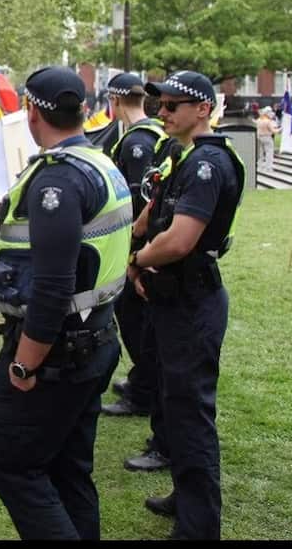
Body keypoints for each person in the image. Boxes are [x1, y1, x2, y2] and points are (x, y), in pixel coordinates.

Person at [0, 66, 131, 540]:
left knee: (14, 464)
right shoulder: (101, 161)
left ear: (31, 112)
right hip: (96, 337)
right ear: (82, 112)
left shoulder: (57, 182)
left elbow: (52, 287)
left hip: (58, 354)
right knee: (68, 469)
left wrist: (24, 366)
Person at [128, 71, 245, 540]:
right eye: (161, 103)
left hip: (192, 301)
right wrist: (136, 246)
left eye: (174, 104)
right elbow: (155, 210)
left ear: (203, 109)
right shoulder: (182, 155)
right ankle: (184, 494)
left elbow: (178, 241)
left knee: (191, 414)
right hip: (170, 299)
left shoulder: (208, 164)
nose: (164, 111)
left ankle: (199, 525)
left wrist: (137, 258)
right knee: (175, 408)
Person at [101, 72, 167, 420]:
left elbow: (137, 202)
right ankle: (142, 382)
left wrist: (132, 252)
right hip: (142, 242)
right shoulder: (149, 133)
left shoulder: (136, 142)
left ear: (114, 101)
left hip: (137, 243)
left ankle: (145, 391)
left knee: (134, 320)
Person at [256, 106, 279, 170]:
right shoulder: (268, 121)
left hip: (259, 137)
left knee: (260, 153)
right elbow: (273, 131)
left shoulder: (259, 120)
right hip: (267, 137)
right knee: (269, 152)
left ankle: (260, 166)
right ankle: (268, 167)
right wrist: (279, 129)